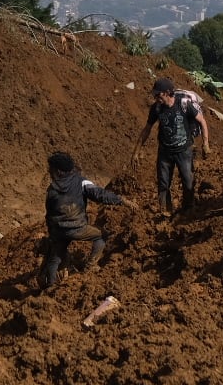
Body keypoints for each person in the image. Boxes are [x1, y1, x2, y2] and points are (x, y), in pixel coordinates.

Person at [39, 152, 122, 290]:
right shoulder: (81, 182)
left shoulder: (51, 189)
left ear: (58, 171)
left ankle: (50, 286)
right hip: (78, 228)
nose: (49, 172)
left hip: (59, 231)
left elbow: (49, 215)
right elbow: (99, 194)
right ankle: (90, 267)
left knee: (55, 257)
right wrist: (120, 200)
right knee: (102, 235)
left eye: (51, 170)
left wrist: (53, 236)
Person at [130, 77, 210, 216]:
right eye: (154, 95)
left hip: (184, 150)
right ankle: (165, 212)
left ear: (167, 93)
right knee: (163, 184)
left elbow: (202, 121)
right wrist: (136, 151)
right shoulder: (156, 108)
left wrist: (206, 144)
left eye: (158, 94)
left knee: (188, 181)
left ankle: (188, 210)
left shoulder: (184, 104)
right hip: (165, 152)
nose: (155, 97)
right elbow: (147, 129)